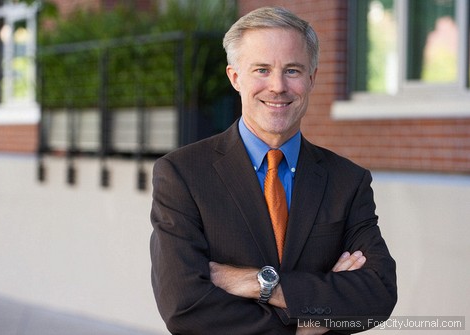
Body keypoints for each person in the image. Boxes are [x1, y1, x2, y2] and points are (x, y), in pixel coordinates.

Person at [150, 6, 397, 335]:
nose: (278, 86)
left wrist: (260, 285)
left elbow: (377, 293)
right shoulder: (183, 175)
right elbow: (185, 305)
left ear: (311, 79)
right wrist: (303, 326)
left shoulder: (347, 182)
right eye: (262, 70)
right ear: (235, 77)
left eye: (292, 70)